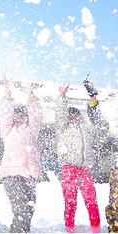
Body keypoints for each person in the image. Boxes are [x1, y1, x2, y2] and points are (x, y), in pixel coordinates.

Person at [0, 76, 43, 233]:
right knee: (22, 210)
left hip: (30, 175)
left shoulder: (32, 131)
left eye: (22, 115)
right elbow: (5, 113)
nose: (20, 117)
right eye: (17, 115)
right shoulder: (8, 130)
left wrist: (31, 95)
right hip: (11, 175)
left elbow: (36, 115)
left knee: (28, 210)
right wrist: (7, 93)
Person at [56, 83, 101, 233]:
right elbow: (61, 114)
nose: (74, 117)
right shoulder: (63, 127)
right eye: (71, 115)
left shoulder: (87, 129)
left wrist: (93, 99)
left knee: (91, 201)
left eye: (76, 114)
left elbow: (96, 119)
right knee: (70, 202)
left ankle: (96, 229)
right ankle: (70, 229)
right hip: (69, 168)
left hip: (85, 169)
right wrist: (62, 96)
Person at [84, 77, 118, 233]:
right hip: (116, 167)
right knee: (115, 204)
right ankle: (114, 229)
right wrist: (93, 96)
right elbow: (95, 116)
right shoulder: (108, 122)